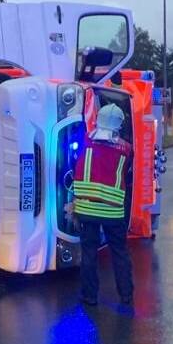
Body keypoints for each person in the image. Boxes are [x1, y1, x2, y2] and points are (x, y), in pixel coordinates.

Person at [71, 103, 134, 306]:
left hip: (86, 209)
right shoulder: (126, 148)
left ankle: (90, 296)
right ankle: (126, 294)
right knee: (119, 253)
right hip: (113, 211)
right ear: (119, 125)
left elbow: (75, 162)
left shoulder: (85, 141)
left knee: (89, 254)